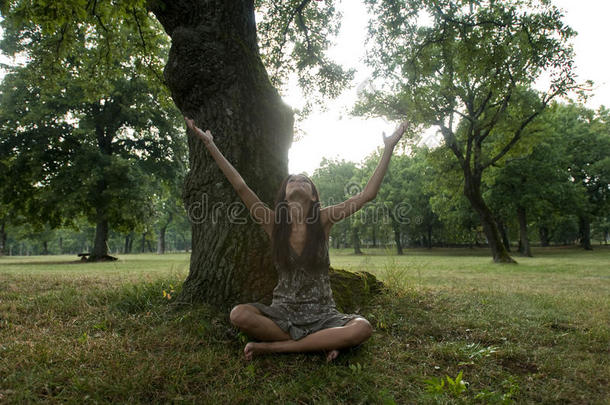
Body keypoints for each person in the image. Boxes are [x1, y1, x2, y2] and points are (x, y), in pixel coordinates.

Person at [184, 117, 407, 361]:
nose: (298, 181)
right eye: (292, 180)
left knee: (362, 327)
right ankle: (322, 343)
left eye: (304, 181)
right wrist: (209, 144)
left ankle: (275, 348)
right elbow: (240, 186)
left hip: (324, 315)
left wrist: (388, 148)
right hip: (283, 314)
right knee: (239, 314)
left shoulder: (324, 219)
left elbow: (367, 195)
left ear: (313, 196)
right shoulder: (272, 222)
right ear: (284, 195)